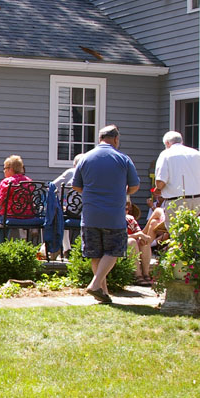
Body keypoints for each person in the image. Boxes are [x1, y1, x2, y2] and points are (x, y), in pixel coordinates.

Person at [73, 125, 140, 303]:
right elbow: (134, 186)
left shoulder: (85, 158)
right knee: (114, 251)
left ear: (99, 138)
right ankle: (95, 285)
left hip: (90, 215)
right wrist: (121, 190)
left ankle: (103, 293)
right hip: (113, 215)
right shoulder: (123, 159)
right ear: (116, 139)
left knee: (96, 254)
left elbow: (76, 185)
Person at [154, 131, 200, 221]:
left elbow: (160, 182)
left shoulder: (165, 154)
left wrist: (158, 189)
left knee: (176, 231)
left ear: (167, 143)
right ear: (181, 142)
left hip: (176, 201)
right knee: (193, 229)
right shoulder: (196, 153)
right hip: (198, 200)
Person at [126, 202, 153, 285]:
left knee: (144, 243)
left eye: (127, 209)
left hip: (131, 243)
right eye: (123, 209)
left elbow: (139, 232)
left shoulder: (130, 219)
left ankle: (145, 273)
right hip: (117, 244)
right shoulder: (114, 219)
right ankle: (137, 275)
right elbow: (120, 236)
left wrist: (142, 237)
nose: (126, 211)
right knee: (131, 242)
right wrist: (138, 235)